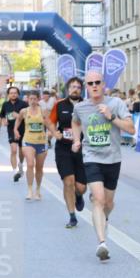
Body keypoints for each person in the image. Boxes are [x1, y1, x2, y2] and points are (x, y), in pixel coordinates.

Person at [70, 71, 135, 261]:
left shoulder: (116, 104)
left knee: (108, 203)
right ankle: (102, 243)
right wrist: (77, 140)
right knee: (97, 199)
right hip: (91, 156)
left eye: (98, 82)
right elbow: (75, 122)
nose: (94, 86)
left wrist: (111, 116)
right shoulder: (81, 107)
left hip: (113, 158)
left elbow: (131, 129)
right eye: (90, 83)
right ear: (86, 87)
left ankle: (103, 219)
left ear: (103, 84)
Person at [49, 77, 88, 228]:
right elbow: (50, 121)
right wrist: (54, 132)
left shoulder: (87, 105)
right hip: (64, 148)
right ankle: (72, 216)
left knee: (81, 187)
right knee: (68, 181)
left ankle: (79, 196)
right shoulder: (59, 105)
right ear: (67, 89)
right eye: (72, 86)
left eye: (78, 87)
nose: (75, 89)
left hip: (82, 149)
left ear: (81, 90)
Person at [14, 91, 50, 201]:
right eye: (31, 99)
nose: (33, 101)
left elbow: (50, 123)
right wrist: (15, 130)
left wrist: (50, 133)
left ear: (38, 99)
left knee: (39, 167)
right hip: (28, 141)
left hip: (41, 142)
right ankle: (30, 190)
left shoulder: (43, 111)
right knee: (30, 164)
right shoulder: (24, 111)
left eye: (35, 99)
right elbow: (18, 120)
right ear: (28, 100)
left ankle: (38, 190)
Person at [0, 86, 27, 181]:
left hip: (23, 129)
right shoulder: (5, 104)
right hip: (11, 130)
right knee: (13, 150)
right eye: (11, 93)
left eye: (15, 93)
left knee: (22, 151)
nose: (13, 94)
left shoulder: (24, 104)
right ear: (8, 94)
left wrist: (18, 116)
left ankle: (21, 164)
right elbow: (2, 115)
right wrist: (3, 121)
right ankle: (15, 172)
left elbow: (29, 117)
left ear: (18, 94)